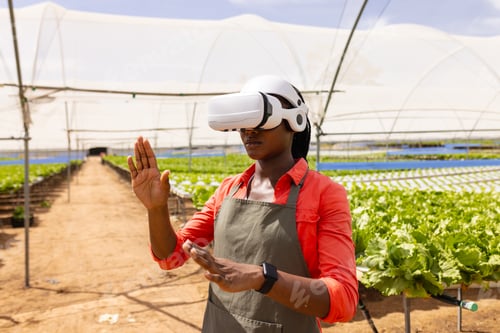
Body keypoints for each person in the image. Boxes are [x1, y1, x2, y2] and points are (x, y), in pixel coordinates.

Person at [128, 75, 358, 332]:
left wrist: (262, 277)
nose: (249, 130)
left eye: (261, 119)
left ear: (295, 121)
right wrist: (156, 210)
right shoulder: (229, 189)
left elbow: (344, 299)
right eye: (243, 122)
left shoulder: (324, 194)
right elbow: (171, 257)